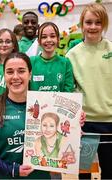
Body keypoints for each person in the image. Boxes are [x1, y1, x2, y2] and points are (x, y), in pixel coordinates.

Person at [0, 52, 51, 179]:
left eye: (21, 71)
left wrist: (74, 126)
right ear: (4, 75)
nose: (15, 77)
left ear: (30, 74)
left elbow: (60, 140)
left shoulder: (46, 105)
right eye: (9, 72)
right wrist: (10, 169)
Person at [66, 3, 112, 179]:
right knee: (84, 172)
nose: (93, 27)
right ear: (81, 24)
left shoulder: (111, 49)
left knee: (109, 172)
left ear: (104, 24)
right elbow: (70, 90)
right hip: (85, 125)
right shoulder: (72, 55)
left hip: (109, 122)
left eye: (98, 22)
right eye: (89, 22)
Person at [30, 22, 74, 92]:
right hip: (36, 103)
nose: (49, 40)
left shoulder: (65, 63)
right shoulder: (31, 62)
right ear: (38, 41)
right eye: (44, 37)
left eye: (52, 36)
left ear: (58, 40)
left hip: (59, 103)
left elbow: (69, 90)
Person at [0, 28, 19, 95]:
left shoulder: (19, 66)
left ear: (14, 45)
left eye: (8, 42)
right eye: (0, 41)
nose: (4, 45)